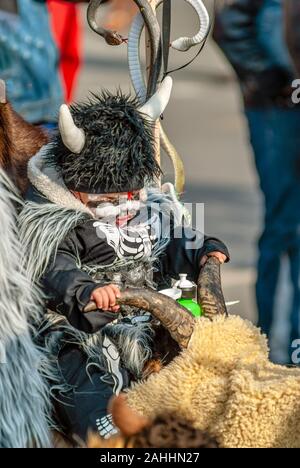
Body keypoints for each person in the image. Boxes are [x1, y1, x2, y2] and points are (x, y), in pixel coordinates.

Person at [19, 78, 229, 440]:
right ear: (75, 188)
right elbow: (54, 266)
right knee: (89, 387)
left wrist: (205, 250)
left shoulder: (147, 211)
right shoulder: (58, 222)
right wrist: (86, 290)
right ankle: (106, 435)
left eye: (126, 197)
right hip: (81, 330)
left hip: (151, 319)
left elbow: (176, 240)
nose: (118, 209)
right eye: (103, 201)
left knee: (208, 369)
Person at [214, 0, 300, 364]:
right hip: (276, 109)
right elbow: (232, 24)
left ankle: (290, 348)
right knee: (287, 225)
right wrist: (277, 80)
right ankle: (271, 347)